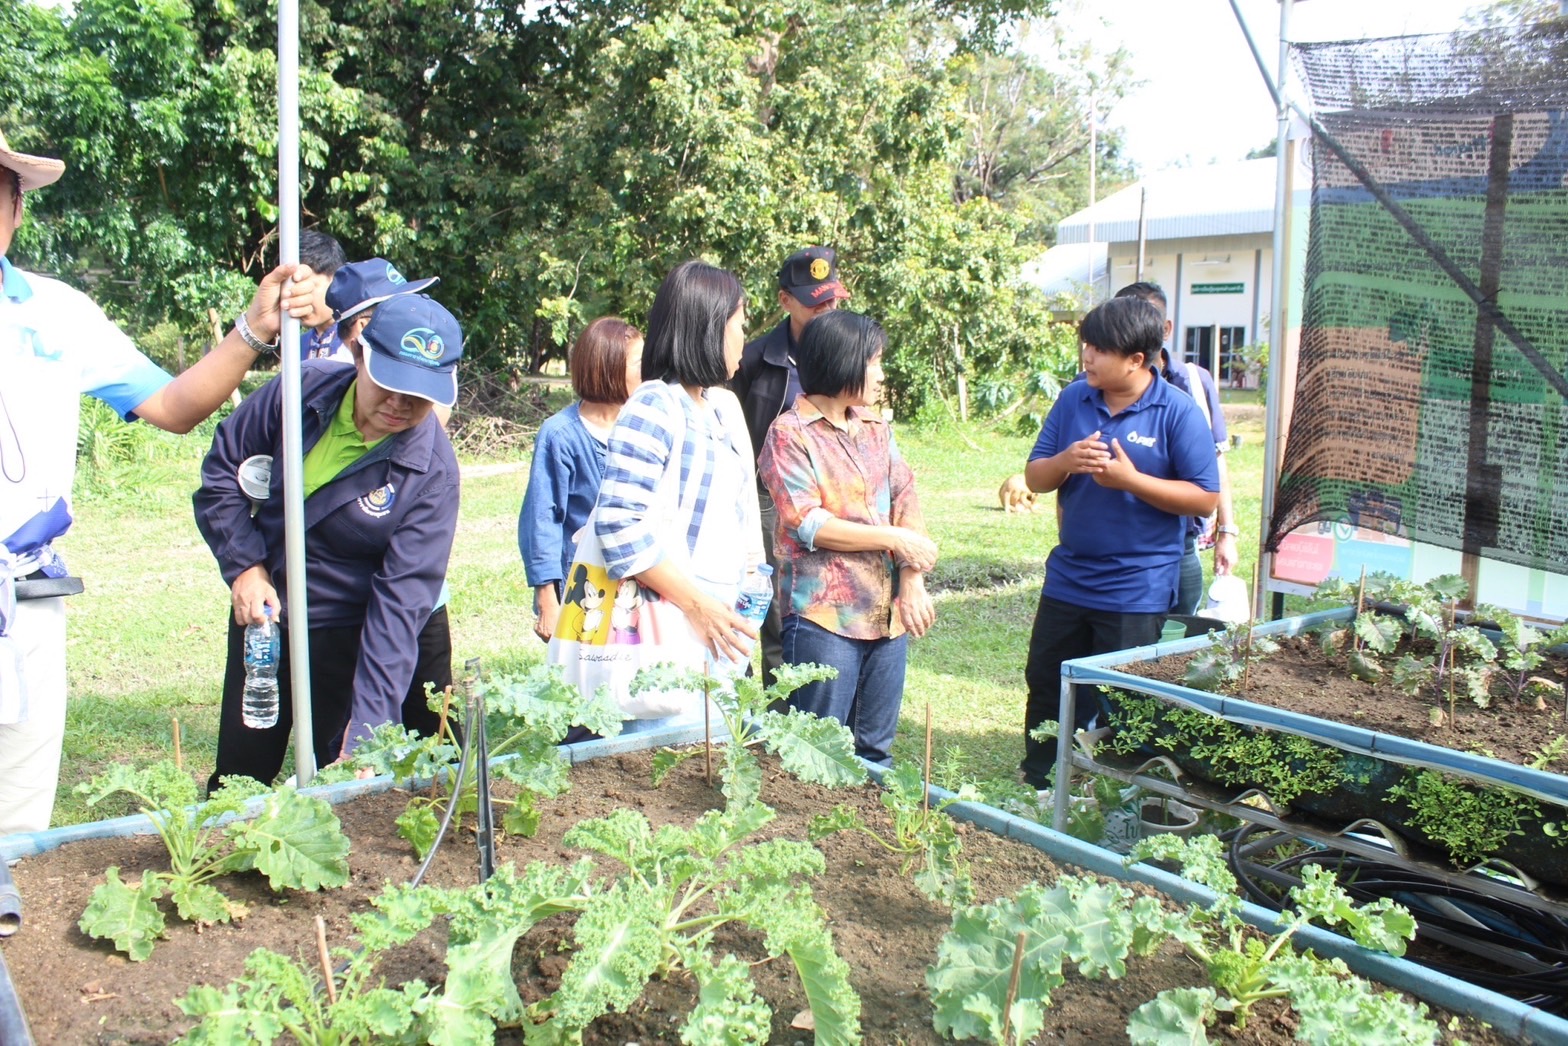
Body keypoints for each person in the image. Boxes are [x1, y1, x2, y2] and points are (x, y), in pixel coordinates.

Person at [0, 128, 312, 835]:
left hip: (27, 592)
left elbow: (173, 406)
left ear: (17, 208)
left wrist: (253, 333)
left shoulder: (56, 313)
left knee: (15, 816)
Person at [193, 293, 464, 790]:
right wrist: (246, 568)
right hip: (265, 620)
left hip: (350, 638)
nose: (400, 405)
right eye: (389, 384)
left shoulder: (432, 473)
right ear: (359, 353)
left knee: (337, 784)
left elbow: (401, 603)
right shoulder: (298, 394)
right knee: (240, 774)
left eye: (420, 395)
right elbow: (221, 477)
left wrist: (367, 731)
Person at [1018, 296, 1220, 790]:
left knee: (1121, 695)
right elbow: (1035, 477)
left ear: (1136, 359)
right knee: (1048, 681)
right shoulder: (1073, 400)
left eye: (1100, 349)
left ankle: (1110, 783)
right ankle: (1042, 775)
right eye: (1086, 345)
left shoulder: (1177, 412)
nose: (1087, 357)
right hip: (1069, 576)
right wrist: (1066, 459)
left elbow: (1205, 498)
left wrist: (1131, 481)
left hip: (1138, 586)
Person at [576, 260, 764, 730]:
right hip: (667, 621)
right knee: (662, 757)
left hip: (712, 624)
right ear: (708, 326)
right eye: (739, 322)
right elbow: (618, 522)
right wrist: (698, 606)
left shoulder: (719, 406)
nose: (745, 335)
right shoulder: (655, 404)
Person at [759, 311, 936, 766]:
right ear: (843, 362)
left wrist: (912, 581)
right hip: (825, 619)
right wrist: (894, 538)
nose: (881, 373)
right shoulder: (788, 434)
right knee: (815, 755)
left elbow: (905, 496)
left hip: (887, 616)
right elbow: (808, 523)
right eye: (874, 361)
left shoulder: (877, 429)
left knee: (875, 752)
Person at [730, 246, 851, 685]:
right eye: (816, 302)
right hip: (767, 499)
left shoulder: (848, 354)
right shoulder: (754, 360)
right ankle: (769, 712)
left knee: (826, 601)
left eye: (834, 300)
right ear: (785, 301)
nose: (828, 310)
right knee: (773, 605)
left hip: (832, 497)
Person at [1114, 282, 1238, 614]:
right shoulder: (1093, 387)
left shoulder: (1196, 382)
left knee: (1177, 642)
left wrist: (1227, 531)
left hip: (1181, 542)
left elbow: (1216, 461)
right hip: (1119, 542)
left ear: (1165, 328)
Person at [518, 317, 643, 642]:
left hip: (635, 577)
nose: (648, 371)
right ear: (608, 368)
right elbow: (542, 520)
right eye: (639, 363)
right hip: (582, 581)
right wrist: (547, 599)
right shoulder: (560, 435)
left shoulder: (641, 428)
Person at [297, 230, 350, 362]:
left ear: (337, 280)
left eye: (308, 287)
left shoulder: (357, 339)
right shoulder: (297, 345)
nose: (300, 298)